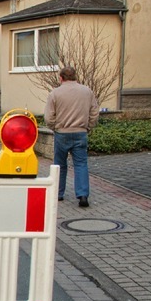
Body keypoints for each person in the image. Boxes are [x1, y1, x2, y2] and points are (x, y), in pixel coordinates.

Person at [44, 66, 99, 208]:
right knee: (81, 164)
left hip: (62, 132)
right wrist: (88, 126)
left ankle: (58, 193)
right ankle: (83, 195)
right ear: (75, 76)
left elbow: (49, 117)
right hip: (80, 132)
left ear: (61, 78)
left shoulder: (55, 93)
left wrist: (54, 127)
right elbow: (94, 112)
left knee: (60, 165)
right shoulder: (87, 91)